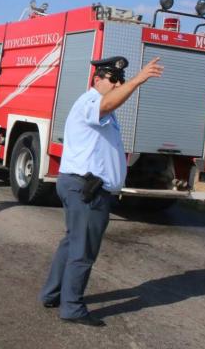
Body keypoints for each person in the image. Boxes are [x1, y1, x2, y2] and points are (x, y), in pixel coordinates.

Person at [38, 55, 163, 327]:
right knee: (83, 250)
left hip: (83, 185)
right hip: (87, 189)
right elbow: (107, 102)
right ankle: (71, 307)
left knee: (72, 243)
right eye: (113, 79)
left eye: (120, 79)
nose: (118, 83)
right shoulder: (92, 102)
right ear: (97, 79)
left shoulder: (101, 108)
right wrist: (138, 79)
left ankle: (52, 293)